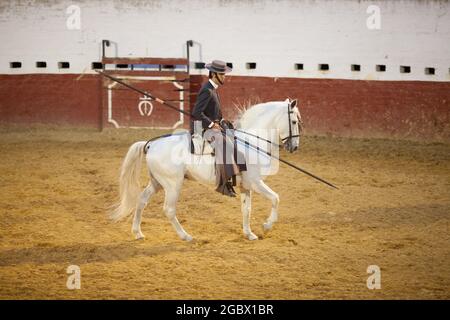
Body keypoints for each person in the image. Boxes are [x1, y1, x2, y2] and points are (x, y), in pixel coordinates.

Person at [191, 60, 246, 197]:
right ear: (214, 74)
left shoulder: (213, 89)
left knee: (234, 137)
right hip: (204, 129)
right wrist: (210, 124)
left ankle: (237, 174)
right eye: (222, 74)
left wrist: (222, 122)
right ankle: (223, 184)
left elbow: (214, 112)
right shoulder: (206, 90)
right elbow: (197, 113)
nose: (225, 76)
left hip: (215, 126)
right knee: (224, 143)